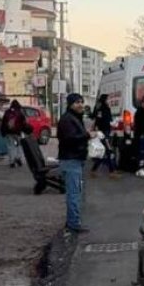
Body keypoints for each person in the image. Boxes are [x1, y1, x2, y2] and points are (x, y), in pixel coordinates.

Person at [57, 93, 90, 232]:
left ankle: (72, 221)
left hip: (75, 159)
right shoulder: (67, 120)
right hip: (71, 160)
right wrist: (87, 135)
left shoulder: (74, 118)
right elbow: (70, 138)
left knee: (76, 192)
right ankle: (73, 224)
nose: (80, 105)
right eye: (77, 102)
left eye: (82, 102)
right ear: (70, 104)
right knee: (74, 194)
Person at [90, 93, 116, 176]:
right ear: (105, 100)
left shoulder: (102, 108)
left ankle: (94, 170)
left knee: (104, 151)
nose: (109, 100)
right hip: (104, 132)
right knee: (108, 151)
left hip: (104, 131)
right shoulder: (103, 109)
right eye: (108, 99)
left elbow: (96, 118)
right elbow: (104, 120)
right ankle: (111, 171)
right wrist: (113, 123)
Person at [1, 100, 28, 168]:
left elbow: (3, 123)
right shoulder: (20, 112)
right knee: (20, 145)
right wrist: (25, 131)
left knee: (10, 146)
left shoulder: (7, 112)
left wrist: (3, 132)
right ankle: (18, 157)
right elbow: (24, 123)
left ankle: (12, 161)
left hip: (8, 132)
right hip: (18, 132)